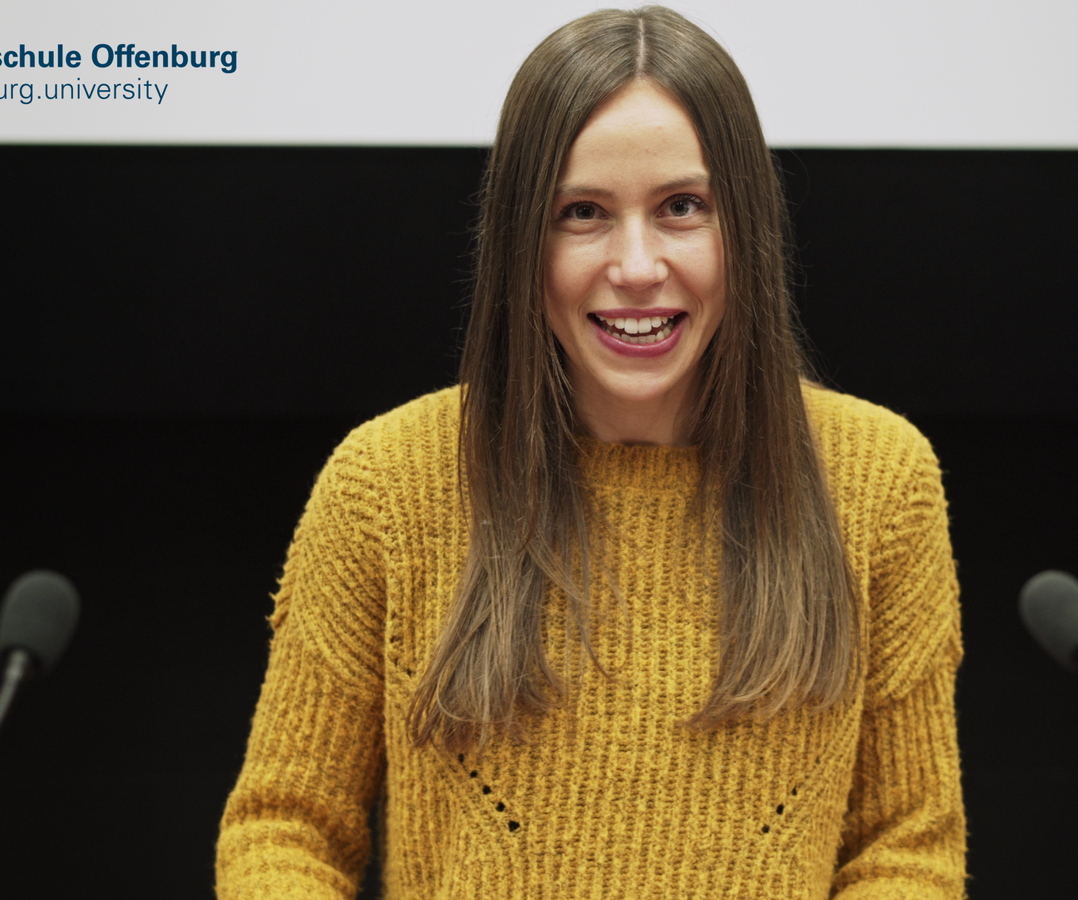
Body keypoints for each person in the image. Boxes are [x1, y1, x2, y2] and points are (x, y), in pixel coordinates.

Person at [215, 6, 965, 898]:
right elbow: (286, 831)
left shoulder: (879, 481)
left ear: (746, 226)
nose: (637, 266)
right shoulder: (385, 484)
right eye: (583, 213)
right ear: (520, 240)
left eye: (682, 207)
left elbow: (905, 849)